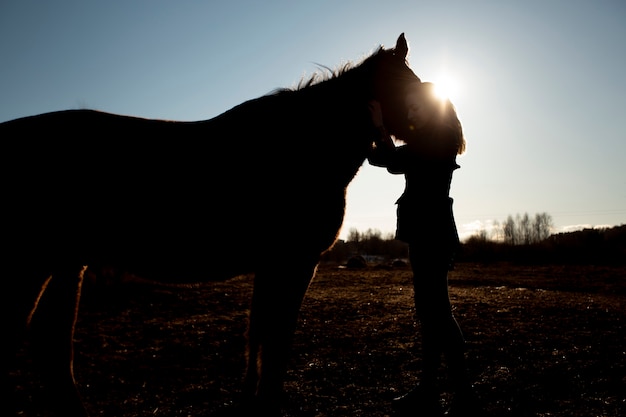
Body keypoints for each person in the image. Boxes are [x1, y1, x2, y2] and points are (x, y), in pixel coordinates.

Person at [368, 82, 480, 417]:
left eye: (417, 107)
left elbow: (391, 160)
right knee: (429, 313)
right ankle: (429, 389)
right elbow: (383, 158)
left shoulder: (440, 137)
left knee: (438, 312)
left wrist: (379, 127)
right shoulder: (428, 139)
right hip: (424, 234)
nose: (411, 113)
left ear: (434, 107)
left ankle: (463, 394)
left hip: (433, 235)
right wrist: (373, 134)